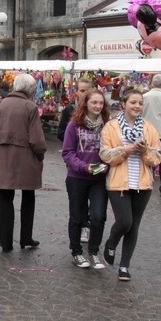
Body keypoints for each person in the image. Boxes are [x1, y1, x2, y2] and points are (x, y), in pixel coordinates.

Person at [100, 88, 161, 282]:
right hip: (119, 182)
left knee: (134, 226)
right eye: (133, 102)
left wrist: (144, 151)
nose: (137, 106)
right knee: (124, 221)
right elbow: (105, 155)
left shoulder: (149, 128)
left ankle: (124, 266)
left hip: (142, 184)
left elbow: (158, 157)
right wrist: (126, 150)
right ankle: (111, 243)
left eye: (140, 103)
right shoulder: (111, 127)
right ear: (124, 104)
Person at [0, 73, 47, 253]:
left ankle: (6, 243)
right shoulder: (30, 107)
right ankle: (26, 238)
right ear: (31, 90)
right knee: (28, 197)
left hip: (5, 159)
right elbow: (37, 140)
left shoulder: (0, 104)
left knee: (5, 198)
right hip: (27, 160)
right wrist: (40, 155)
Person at [62, 89, 110, 270]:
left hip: (99, 178)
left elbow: (112, 150)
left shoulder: (107, 125)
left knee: (98, 216)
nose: (98, 106)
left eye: (100, 103)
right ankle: (76, 252)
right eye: (94, 103)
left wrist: (108, 164)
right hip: (77, 177)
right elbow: (67, 153)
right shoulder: (74, 125)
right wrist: (83, 166)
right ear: (86, 104)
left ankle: (94, 252)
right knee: (77, 217)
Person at [57, 77, 93, 243]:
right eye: (82, 90)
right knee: (79, 200)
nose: (85, 94)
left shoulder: (99, 112)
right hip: (76, 163)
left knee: (95, 200)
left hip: (94, 165)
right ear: (76, 92)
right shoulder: (69, 111)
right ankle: (82, 225)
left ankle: (88, 225)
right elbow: (60, 133)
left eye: (88, 90)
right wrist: (73, 138)